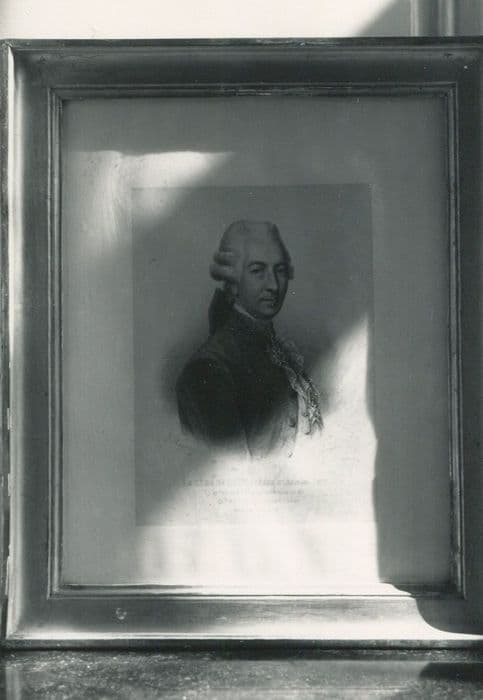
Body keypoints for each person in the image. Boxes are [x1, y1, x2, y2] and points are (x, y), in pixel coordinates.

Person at [176, 220, 321, 457]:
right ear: (232, 283)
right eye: (257, 271)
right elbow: (230, 473)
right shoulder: (209, 367)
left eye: (280, 270)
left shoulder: (278, 351)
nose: (273, 285)